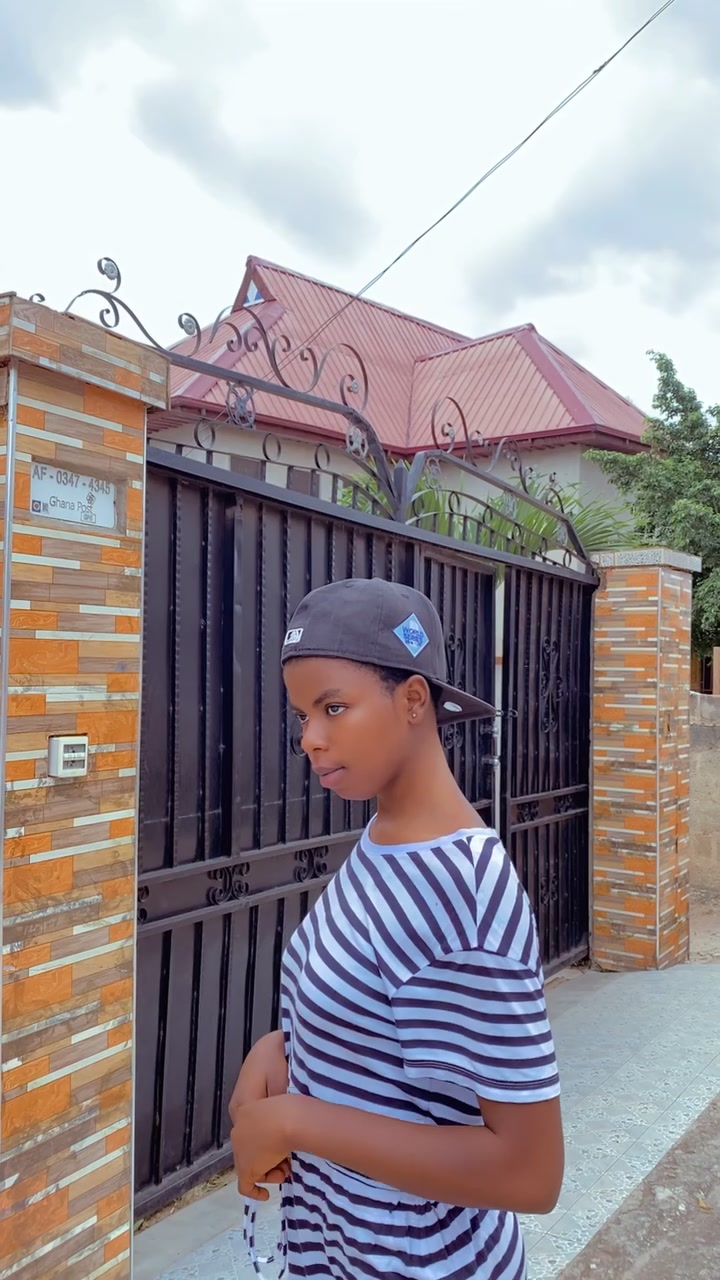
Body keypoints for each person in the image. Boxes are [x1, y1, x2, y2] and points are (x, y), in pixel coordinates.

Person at [229, 577, 564, 1280]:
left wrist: (294, 1121)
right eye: (302, 714)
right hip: (339, 1249)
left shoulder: (465, 888)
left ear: (414, 701)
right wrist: (281, 1050)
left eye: (333, 708)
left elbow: (530, 1172)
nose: (310, 738)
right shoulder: (388, 837)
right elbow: (384, 1023)